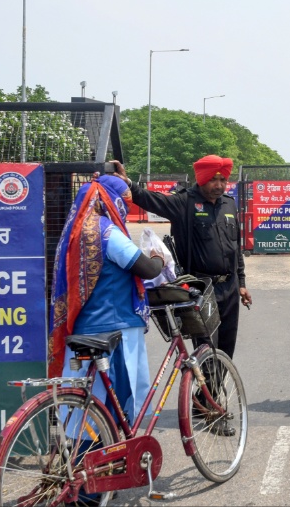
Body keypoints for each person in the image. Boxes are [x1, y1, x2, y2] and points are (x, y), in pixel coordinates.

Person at [48, 174, 165, 424]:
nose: (125, 207)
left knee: (87, 407)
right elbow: (148, 269)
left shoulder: (74, 230)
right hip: (116, 327)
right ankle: (111, 454)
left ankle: (85, 452)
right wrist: (158, 257)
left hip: (83, 325)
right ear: (110, 201)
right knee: (120, 401)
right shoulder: (107, 232)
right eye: (124, 201)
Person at [111, 156, 252, 360]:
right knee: (206, 350)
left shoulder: (229, 205)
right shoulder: (184, 202)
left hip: (230, 288)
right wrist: (130, 184)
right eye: (214, 180)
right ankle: (203, 392)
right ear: (202, 178)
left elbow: (235, 248)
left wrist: (242, 282)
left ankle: (216, 391)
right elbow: (151, 199)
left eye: (223, 180)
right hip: (201, 287)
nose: (219, 185)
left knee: (226, 351)